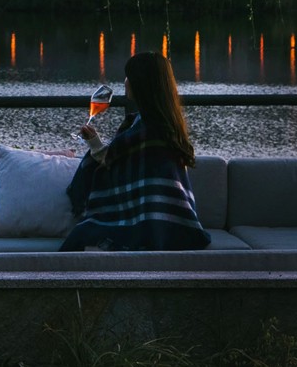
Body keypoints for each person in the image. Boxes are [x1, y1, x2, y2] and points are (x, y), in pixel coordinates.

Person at [60, 52, 210, 251]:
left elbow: (116, 166)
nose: (125, 82)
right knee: (83, 233)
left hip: (152, 225)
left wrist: (96, 147)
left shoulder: (150, 131)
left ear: (142, 84)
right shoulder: (154, 126)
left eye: (129, 76)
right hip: (159, 222)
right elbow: (119, 163)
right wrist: (95, 143)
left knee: (82, 234)